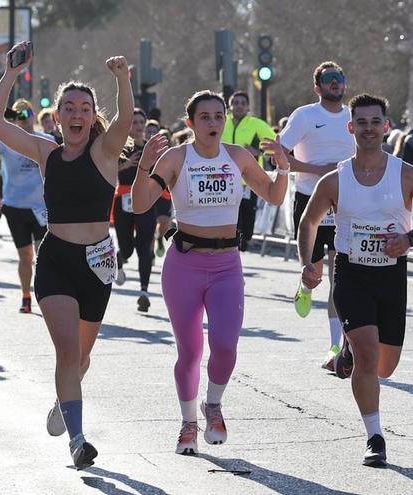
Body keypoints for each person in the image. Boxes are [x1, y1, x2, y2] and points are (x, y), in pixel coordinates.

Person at [0, 41, 132, 469]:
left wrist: (122, 78)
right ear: (58, 116)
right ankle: (78, 440)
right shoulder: (46, 152)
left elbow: (124, 118)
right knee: (67, 353)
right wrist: (12, 73)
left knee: (82, 358)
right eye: (69, 107)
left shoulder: (104, 153)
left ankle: (62, 400)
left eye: (84, 107)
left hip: (98, 263)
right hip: (56, 261)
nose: (77, 114)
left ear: (91, 116)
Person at [132, 90, 290, 457]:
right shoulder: (175, 158)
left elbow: (274, 195)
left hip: (225, 267)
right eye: (204, 117)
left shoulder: (237, 157)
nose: (214, 123)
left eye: (219, 116)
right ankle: (188, 423)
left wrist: (283, 167)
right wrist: (145, 166)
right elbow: (140, 204)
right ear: (190, 123)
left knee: (225, 347)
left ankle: (213, 405)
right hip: (184, 265)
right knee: (190, 352)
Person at [296, 94, 413, 466]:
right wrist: (308, 264)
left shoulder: (407, 175)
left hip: (392, 276)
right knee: (367, 358)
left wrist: (409, 239)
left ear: (385, 127)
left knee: (385, 367)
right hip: (351, 273)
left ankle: (348, 349)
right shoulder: (335, 180)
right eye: (360, 122)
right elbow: (308, 222)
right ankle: (375, 437)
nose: (367, 128)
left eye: (374, 122)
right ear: (351, 128)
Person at [279, 61, 356, 370]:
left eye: (339, 78)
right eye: (329, 79)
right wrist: (318, 171)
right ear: (318, 87)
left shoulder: (354, 117)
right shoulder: (305, 116)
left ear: (345, 84)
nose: (335, 82)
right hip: (310, 200)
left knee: (341, 280)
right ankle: (306, 285)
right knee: (314, 272)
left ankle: (336, 348)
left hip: (344, 203)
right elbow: (280, 156)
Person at [0, 98, 56, 313]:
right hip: (15, 206)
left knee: (43, 253)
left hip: (41, 206)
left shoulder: (46, 139)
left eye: (27, 114)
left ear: (34, 115)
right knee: (25, 256)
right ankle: (26, 295)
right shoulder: (6, 141)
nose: (23, 119)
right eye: (18, 116)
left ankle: (45, 294)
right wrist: (2, 123)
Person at [113, 108, 157, 312]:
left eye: (141, 122)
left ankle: (144, 291)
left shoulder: (151, 148)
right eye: (134, 123)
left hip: (146, 202)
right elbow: (107, 169)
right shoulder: (119, 147)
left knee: (144, 247)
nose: (138, 127)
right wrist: (126, 165)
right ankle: (119, 259)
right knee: (128, 248)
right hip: (123, 201)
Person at [221, 91, 277, 251]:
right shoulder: (222, 123)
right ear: (230, 106)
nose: (239, 106)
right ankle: (232, 243)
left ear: (247, 106)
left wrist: (258, 152)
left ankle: (243, 239)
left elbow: (275, 145)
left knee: (247, 215)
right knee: (231, 215)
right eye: (235, 103)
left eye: (242, 103)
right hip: (223, 179)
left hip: (248, 180)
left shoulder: (256, 124)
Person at [146, 120, 174, 257]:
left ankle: (160, 238)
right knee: (150, 226)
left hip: (165, 193)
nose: (152, 134)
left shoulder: (168, 152)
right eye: (149, 131)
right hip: (149, 193)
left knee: (164, 222)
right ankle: (150, 253)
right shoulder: (142, 150)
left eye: (154, 131)